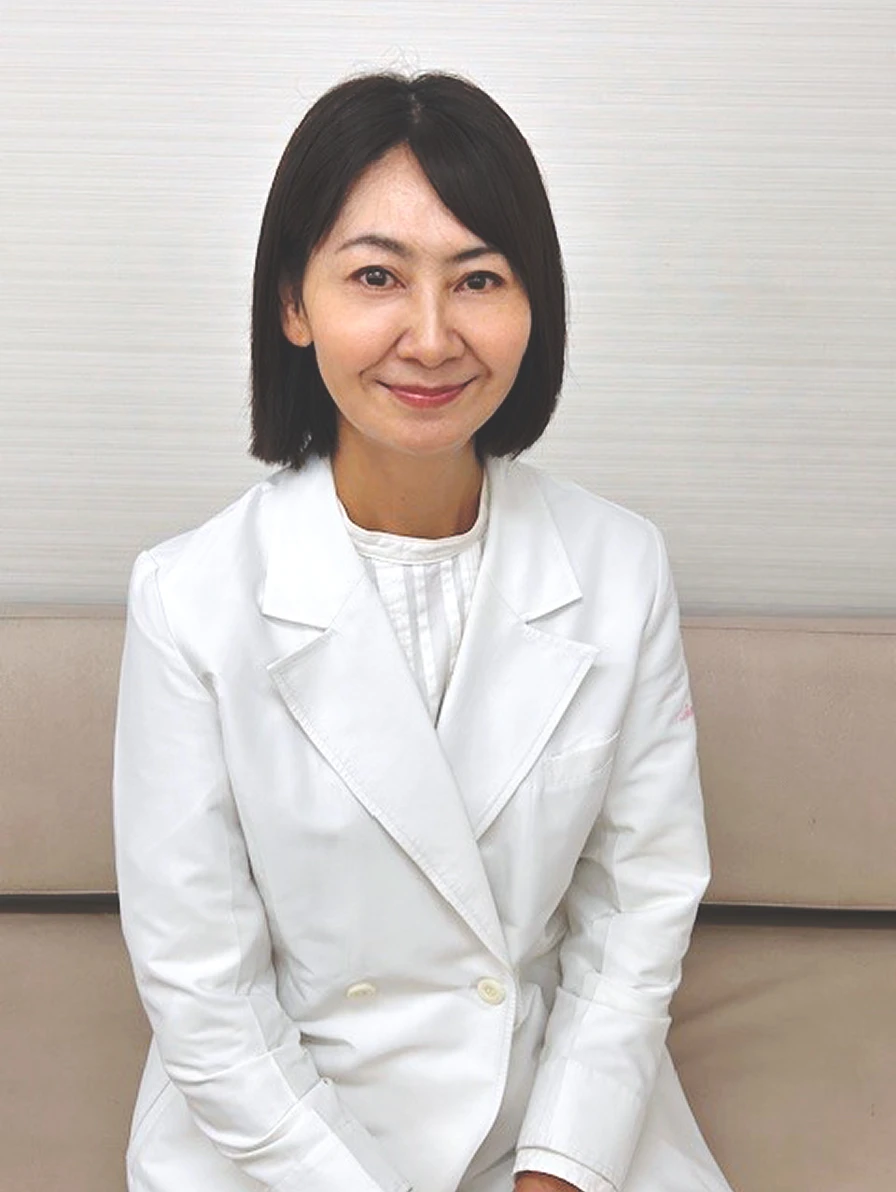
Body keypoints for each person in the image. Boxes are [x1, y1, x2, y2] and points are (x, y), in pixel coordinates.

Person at [113, 71, 734, 1192]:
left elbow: (636, 909)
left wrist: (560, 1163)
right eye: (376, 277)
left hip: (548, 1109)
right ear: (293, 305)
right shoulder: (188, 599)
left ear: (533, 305)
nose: (434, 336)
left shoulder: (619, 566)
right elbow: (204, 990)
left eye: (478, 278)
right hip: (283, 1135)